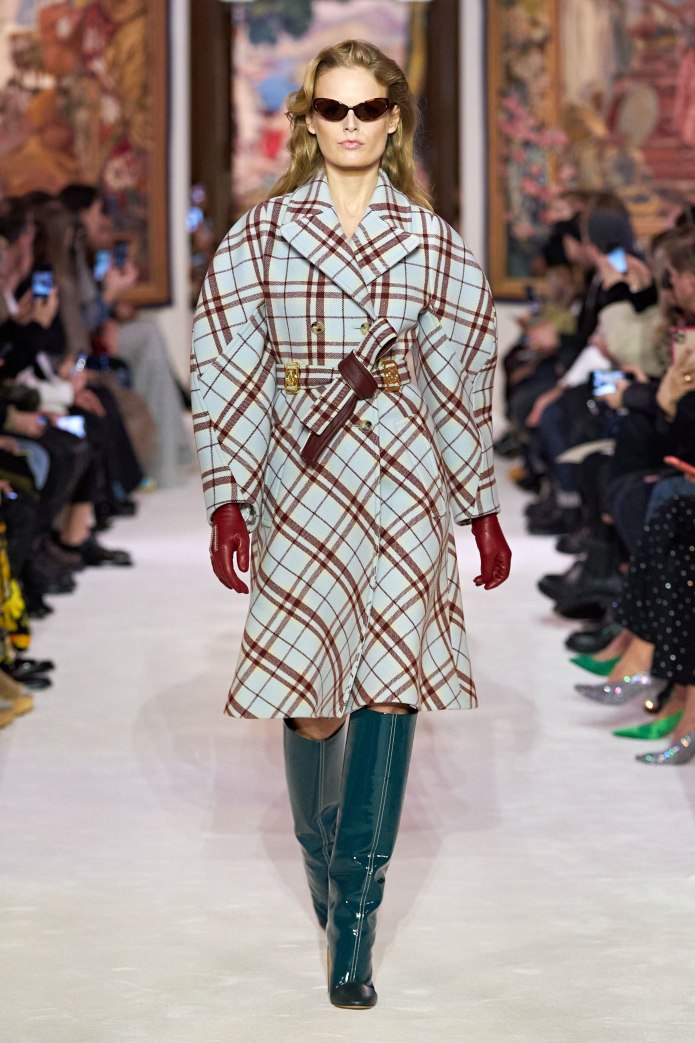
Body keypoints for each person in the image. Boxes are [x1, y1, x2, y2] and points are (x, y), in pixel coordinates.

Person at [191, 39, 511, 1009]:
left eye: (367, 109)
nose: (350, 125)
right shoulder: (259, 237)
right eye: (332, 109)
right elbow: (226, 364)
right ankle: (323, 870)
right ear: (307, 120)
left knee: (389, 686)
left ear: (393, 118)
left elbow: (460, 382)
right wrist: (227, 492)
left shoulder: (432, 242)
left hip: (403, 476)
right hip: (303, 476)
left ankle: (356, 918)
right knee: (311, 695)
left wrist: (478, 506)